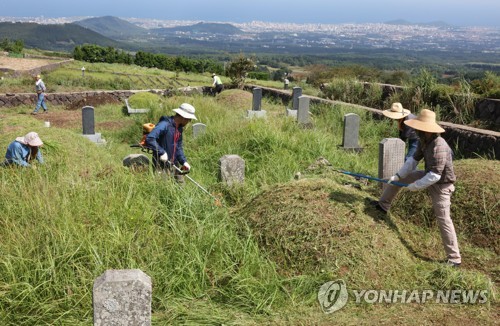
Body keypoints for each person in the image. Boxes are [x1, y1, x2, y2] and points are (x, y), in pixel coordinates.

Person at [372, 109, 461, 267]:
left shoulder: (439, 146)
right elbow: (413, 161)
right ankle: (382, 205)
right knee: (403, 177)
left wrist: (416, 186)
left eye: (419, 128)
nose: (417, 130)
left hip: (441, 185)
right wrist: (398, 176)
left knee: (443, 219)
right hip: (428, 174)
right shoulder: (424, 141)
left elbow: (435, 175)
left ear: (427, 130)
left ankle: (454, 258)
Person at [146, 103, 197, 180]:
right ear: (184, 117)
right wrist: (161, 152)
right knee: (163, 188)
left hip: (174, 164)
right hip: (161, 164)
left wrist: (183, 161)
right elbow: (150, 138)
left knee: (181, 185)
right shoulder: (164, 124)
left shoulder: (179, 129)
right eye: (189, 119)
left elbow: (178, 147)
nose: (189, 122)